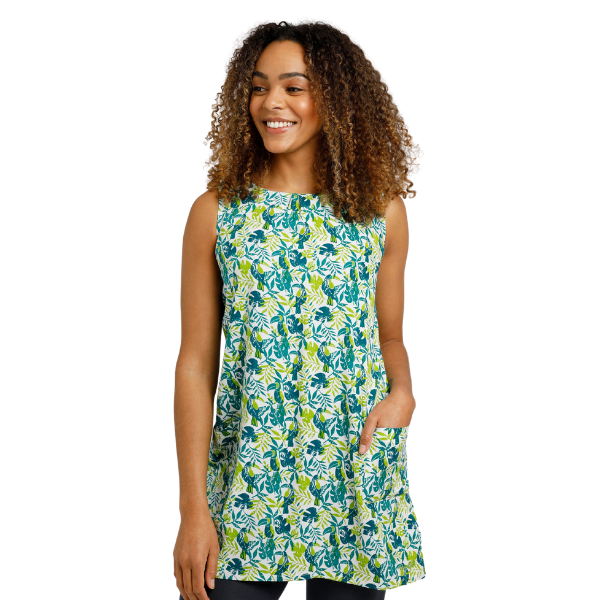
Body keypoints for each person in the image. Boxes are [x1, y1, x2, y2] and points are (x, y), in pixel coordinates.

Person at [173, 20, 426, 600]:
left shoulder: (379, 211)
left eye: (294, 87)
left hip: (353, 472)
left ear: (335, 99)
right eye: (259, 87)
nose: (272, 103)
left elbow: (389, 338)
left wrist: (404, 394)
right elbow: (195, 364)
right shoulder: (217, 213)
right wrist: (193, 510)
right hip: (247, 480)